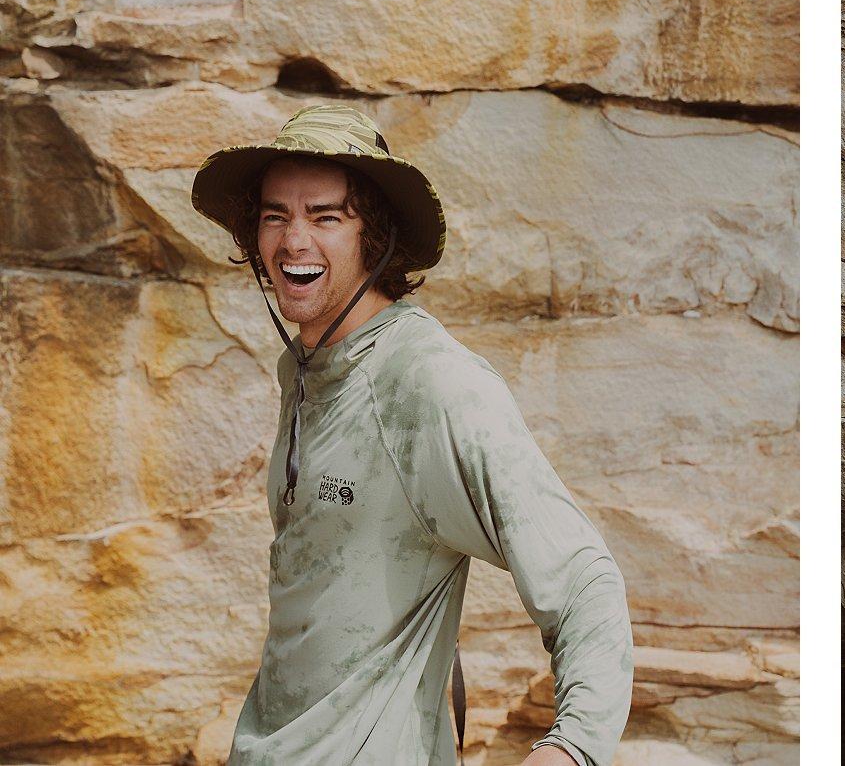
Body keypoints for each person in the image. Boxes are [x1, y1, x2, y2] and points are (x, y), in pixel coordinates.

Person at [190, 103, 633, 765]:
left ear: (374, 237)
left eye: (326, 216)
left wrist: (570, 748)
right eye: (274, 214)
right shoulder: (307, 368)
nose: (292, 240)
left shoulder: (428, 380)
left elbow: (585, 580)